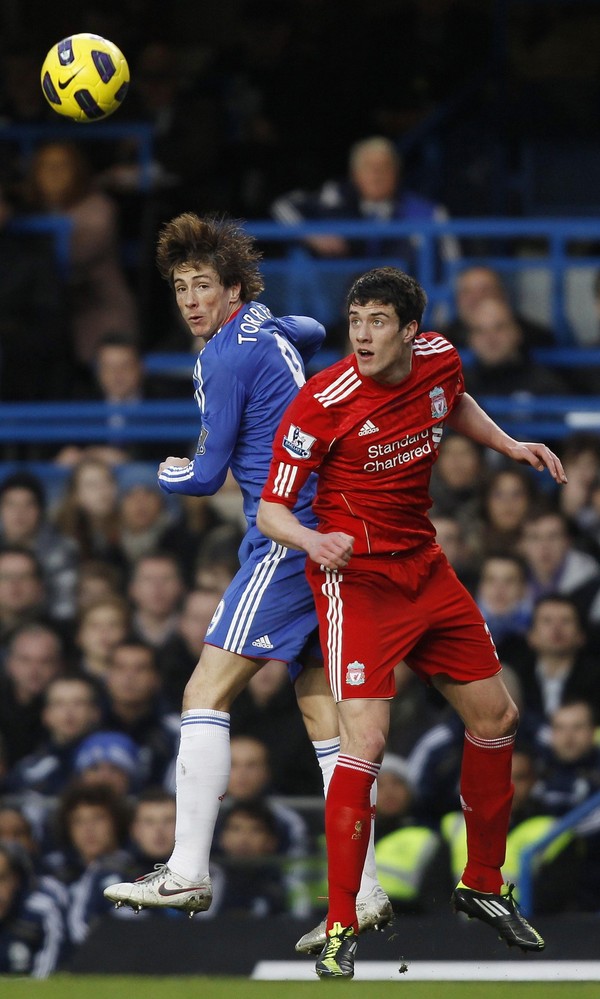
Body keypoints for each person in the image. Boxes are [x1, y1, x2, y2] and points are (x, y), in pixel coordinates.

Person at [257, 265, 567, 977]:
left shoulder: (440, 359)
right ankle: (341, 923)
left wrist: (508, 445)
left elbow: (451, 402)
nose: (361, 335)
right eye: (354, 320)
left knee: (497, 717)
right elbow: (272, 510)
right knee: (366, 742)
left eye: (376, 321)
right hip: (357, 582)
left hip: (424, 568)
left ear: (409, 331)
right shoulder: (322, 402)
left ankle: (482, 883)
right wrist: (311, 540)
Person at [103, 212, 391, 944]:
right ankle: (364, 890)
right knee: (323, 713)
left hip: (284, 537)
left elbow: (204, 475)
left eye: (203, 285)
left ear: (233, 289)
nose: (191, 300)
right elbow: (314, 330)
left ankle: (187, 869)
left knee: (204, 692)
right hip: (330, 524)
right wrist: (271, 325)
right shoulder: (270, 327)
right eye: (181, 287)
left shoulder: (222, 359)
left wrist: (163, 471)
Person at [0, 472, 79, 623]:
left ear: (40, 510)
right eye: (11, 504)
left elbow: (64, 607)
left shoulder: (63, 550)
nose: (19, 512)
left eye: (28, 505)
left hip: (48, 627)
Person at [461, 296, 569, 400]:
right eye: (479, 331)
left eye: (499, 328)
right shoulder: (458, 387)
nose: (490, 338)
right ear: (470, 339)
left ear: (517, 333)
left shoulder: (545, 386)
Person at [442, 265, 556, 348]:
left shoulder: (536, 339)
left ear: (503, 295)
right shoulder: (441, 343)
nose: (476, 298)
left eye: (485, 290)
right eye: (467, 292)